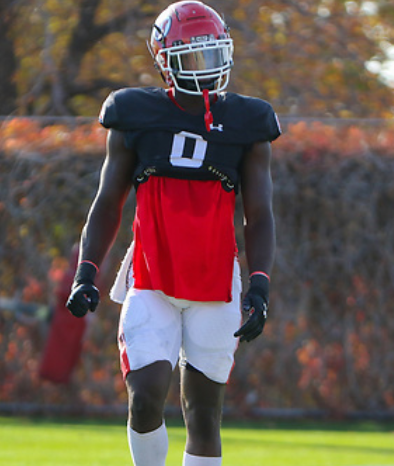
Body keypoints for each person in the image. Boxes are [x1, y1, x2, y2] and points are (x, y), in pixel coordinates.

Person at [66, 2, 281, 465]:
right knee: (145, 396)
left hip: (215, 284)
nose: (207, 69)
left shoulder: (248, 122)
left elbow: (259, 213)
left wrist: (260, 284)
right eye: (194, 57)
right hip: (151, 279)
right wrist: (87, 272)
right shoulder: (133, 113)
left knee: (204, 415)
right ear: (166, 60)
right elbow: (107, 202)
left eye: (214, 55)